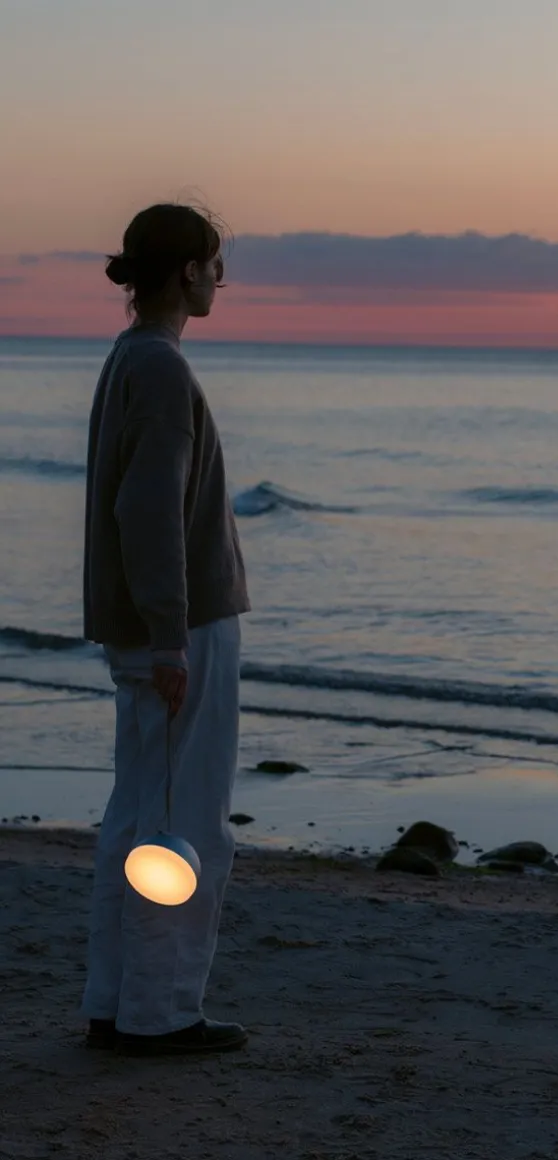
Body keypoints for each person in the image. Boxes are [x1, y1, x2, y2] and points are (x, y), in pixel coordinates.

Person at [80, 203, 251, 1056]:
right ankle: (161, 1011)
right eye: (215, 265)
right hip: (179, 629)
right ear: (187, 272)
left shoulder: (132, 357)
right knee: (186, 822)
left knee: (139, 811)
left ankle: (116, 1002)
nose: (222, 280)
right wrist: (172, 636)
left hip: (148, 627)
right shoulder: (160, 368)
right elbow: (148, 510)